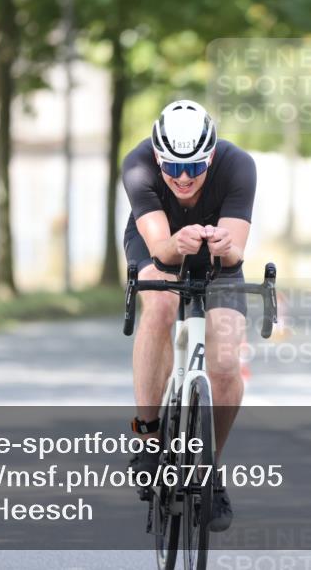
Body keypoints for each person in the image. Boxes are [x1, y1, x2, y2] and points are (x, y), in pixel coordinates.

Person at [122, 99, 256, 532]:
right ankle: (148, 433)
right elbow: (161, 249)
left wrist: (222, 244)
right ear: (157, 157)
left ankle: (210, 470)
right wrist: (177, 242)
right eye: (173, 168)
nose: (183, 178)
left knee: (225, 361)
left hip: (218, 255)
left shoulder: (239, 166)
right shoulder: (138, 165)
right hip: (159, 242)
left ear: (212, 156)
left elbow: (237, 251)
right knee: (160, 304)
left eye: (195, 168)